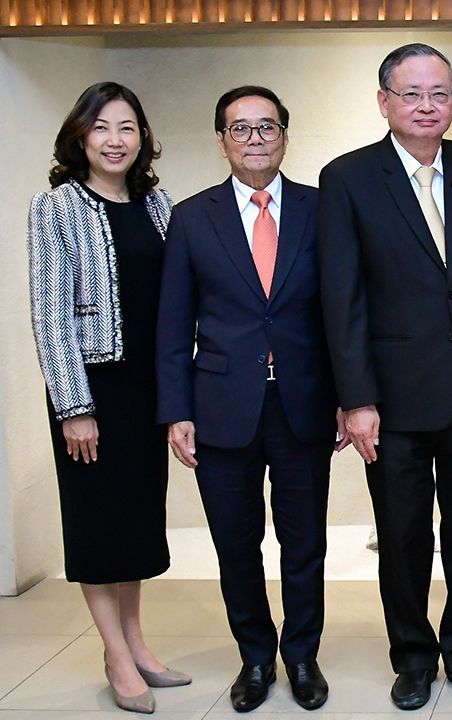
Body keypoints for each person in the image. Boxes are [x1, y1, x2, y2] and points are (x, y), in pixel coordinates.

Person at [317, 42, 452, 711]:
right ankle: (413, 657)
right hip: (391, 399)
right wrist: (356, 399)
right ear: (384, 102)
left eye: (438, 93)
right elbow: (340, 298)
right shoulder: (348, 178)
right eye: (411, 94)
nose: (426, 106)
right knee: (402, 537)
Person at [155, 86, 343, 713]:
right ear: (222, 140)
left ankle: (302, 655)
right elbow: (173, 323)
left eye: (267, 127)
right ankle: (256, 657)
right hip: (219, 407)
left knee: (304, 541)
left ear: (285, 135)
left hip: (304, 403)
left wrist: (349, 397)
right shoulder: (191, 217)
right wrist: (176, 410)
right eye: (241, 129)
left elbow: (342, 313)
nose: (255, 138)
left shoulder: (324, 210)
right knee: (236, 542)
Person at [27, 81, 189, 715]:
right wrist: (74, 407)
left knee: (137, 521)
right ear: (80, 136)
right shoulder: (57, 206)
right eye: (101, 128)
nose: (115, 140)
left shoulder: (158, 204)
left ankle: (137, 642)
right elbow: (51, 313)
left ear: (143, 137)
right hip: (92, 388)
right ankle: (116, 656)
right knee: (99, 523)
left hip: (149, 387)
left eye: (127, 127)